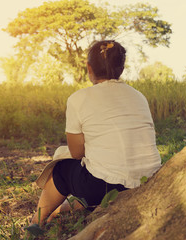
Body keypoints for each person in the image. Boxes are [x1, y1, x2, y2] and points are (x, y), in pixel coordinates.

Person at [30, 40, 162, 225]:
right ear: (121, 68)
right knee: (99, 169)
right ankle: (64, 210)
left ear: (89, 67)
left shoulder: (78, 98)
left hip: (105, 187)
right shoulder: (138, 96)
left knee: (62, 168)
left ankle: (35, 224)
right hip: (149, 180)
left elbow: (76, 153)